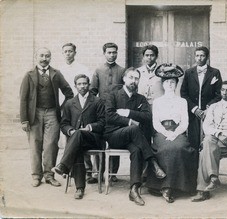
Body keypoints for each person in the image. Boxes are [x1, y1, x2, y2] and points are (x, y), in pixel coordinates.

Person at [104, 67, 166, 206]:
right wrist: (130, 121)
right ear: (124, 79)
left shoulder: (140, 98)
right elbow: (109, 116)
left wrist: (127, 112)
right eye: (131, 77)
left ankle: (134, 189)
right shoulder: (113, 95)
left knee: (137, 150)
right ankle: (153, 162)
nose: (133, 81)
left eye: (136, 78)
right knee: (134, 128)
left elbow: (147, 116)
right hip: (114, 135)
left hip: (132, 138)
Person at [20, 47, 73, 187]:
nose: (44, 58)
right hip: (34, 114)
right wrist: (24, 119)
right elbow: (23, 99)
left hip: (52, 114)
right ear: (36, 56)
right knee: (35, 144)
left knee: (51, 145)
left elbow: (69, 93)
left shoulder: (56, 73)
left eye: (47, 56)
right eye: (42, 55)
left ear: (51, 57)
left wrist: (61, 109)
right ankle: (36, 176)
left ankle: (49, 175)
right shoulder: (29, 75)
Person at [146, 63, 197, 203]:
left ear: (176, 85)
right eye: (167, 82)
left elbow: (185, 122)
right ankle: (165, 187)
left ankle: (181, 186)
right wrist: (166, 133)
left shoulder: (182, 101)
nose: (170, 84)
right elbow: (155, 122)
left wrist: (175, 133)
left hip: (177, 131)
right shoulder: (157, 102)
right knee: (166, 148)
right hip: (161, 132)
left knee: (180, 147)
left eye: (173, 82)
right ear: (163, 84)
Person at [192, 81, 227, 202]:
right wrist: (218, 134)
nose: (224, 92)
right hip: (215, 139)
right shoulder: (213, 107)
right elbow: (207, 126)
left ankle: (203, 190)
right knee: (207, 142)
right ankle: (213, 178)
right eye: (223, 90)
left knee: (205, 150)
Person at [54, 74, 105, 199]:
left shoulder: (97, 101)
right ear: (75, 86)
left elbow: (103, 122)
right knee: (76, 145)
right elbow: (64, 124)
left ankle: (63, 165)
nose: (82, 86)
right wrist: (70, 131)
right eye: (79, 84)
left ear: (89, 85)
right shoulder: (70, 103)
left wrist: (89, 127)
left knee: (77, 137)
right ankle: (80, 188)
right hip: (77, 139)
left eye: (85, 83)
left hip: (93, 139)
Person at [59, 43, 95, 183]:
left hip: (84, 104)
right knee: (70, 136)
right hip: (68, 104)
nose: (68, 53)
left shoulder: (82, 68)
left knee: (81, 134)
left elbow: (86, 86)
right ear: (63, 53)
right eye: (65, 51)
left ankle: (86, 170)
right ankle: (70, 168)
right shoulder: (59, 70)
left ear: (75, 52)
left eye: (70, 51)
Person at [90, 42, 125, 182]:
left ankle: (112, 173)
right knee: (99, 141)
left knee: (114, 140)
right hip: (101, 112)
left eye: (114, 52)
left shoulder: (122, 71)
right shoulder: (98, 70)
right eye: (109, 52)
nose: (112, 55)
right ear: (104, 53)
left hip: (115, 112)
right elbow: (93, 91)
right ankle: (97, 173)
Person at [180, 46, 222, 152]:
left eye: (202, 55)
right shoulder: (189, 73)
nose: (199, 58)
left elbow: (219, 94)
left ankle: (206, 167)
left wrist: (208, 109)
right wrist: (194, 109)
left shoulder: (215, 72)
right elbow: (183, 93)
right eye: (197, 55)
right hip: (193, 114)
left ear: (207, 57)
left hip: (209, 113)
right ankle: (194, 167)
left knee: (208, 141)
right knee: (193, 141)